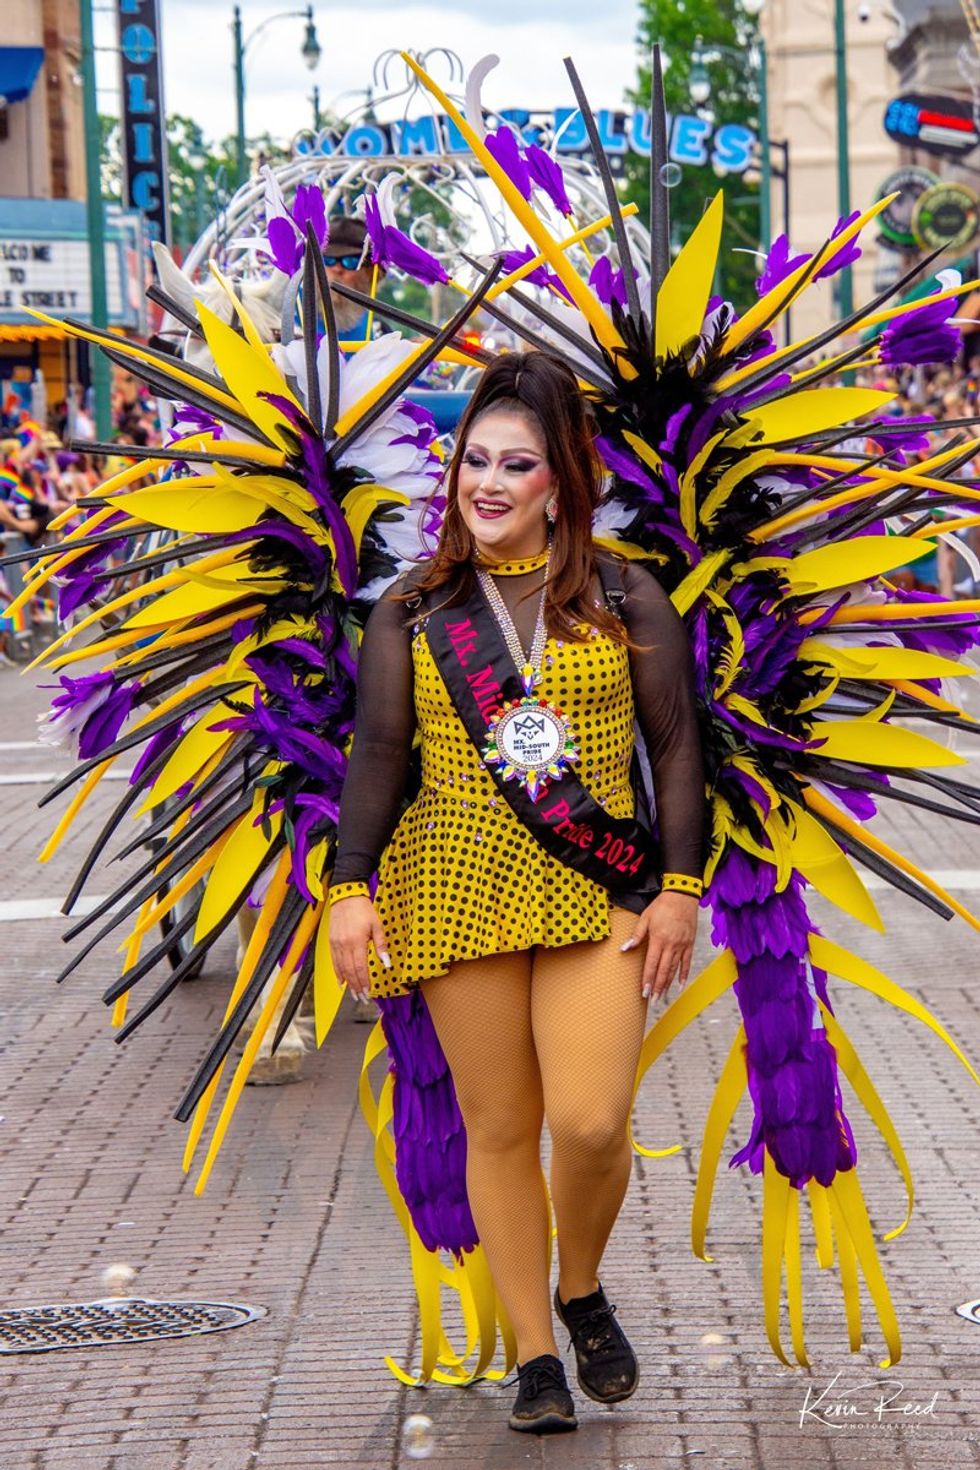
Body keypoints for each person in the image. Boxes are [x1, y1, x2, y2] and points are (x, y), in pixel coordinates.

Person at [326, 351, 705, 1434]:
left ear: (562, 480)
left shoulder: (625, 592)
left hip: (598, 885)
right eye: (474, 461)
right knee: (498, 1128)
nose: (486, 483)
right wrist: (348, 887)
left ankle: (578, 1288)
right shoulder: (414, 609)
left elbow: (676, 745)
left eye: (516, 464)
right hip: (455, 883)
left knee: (588, 1121)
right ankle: (537, 1360)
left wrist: (679, 888)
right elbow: (378, 754)